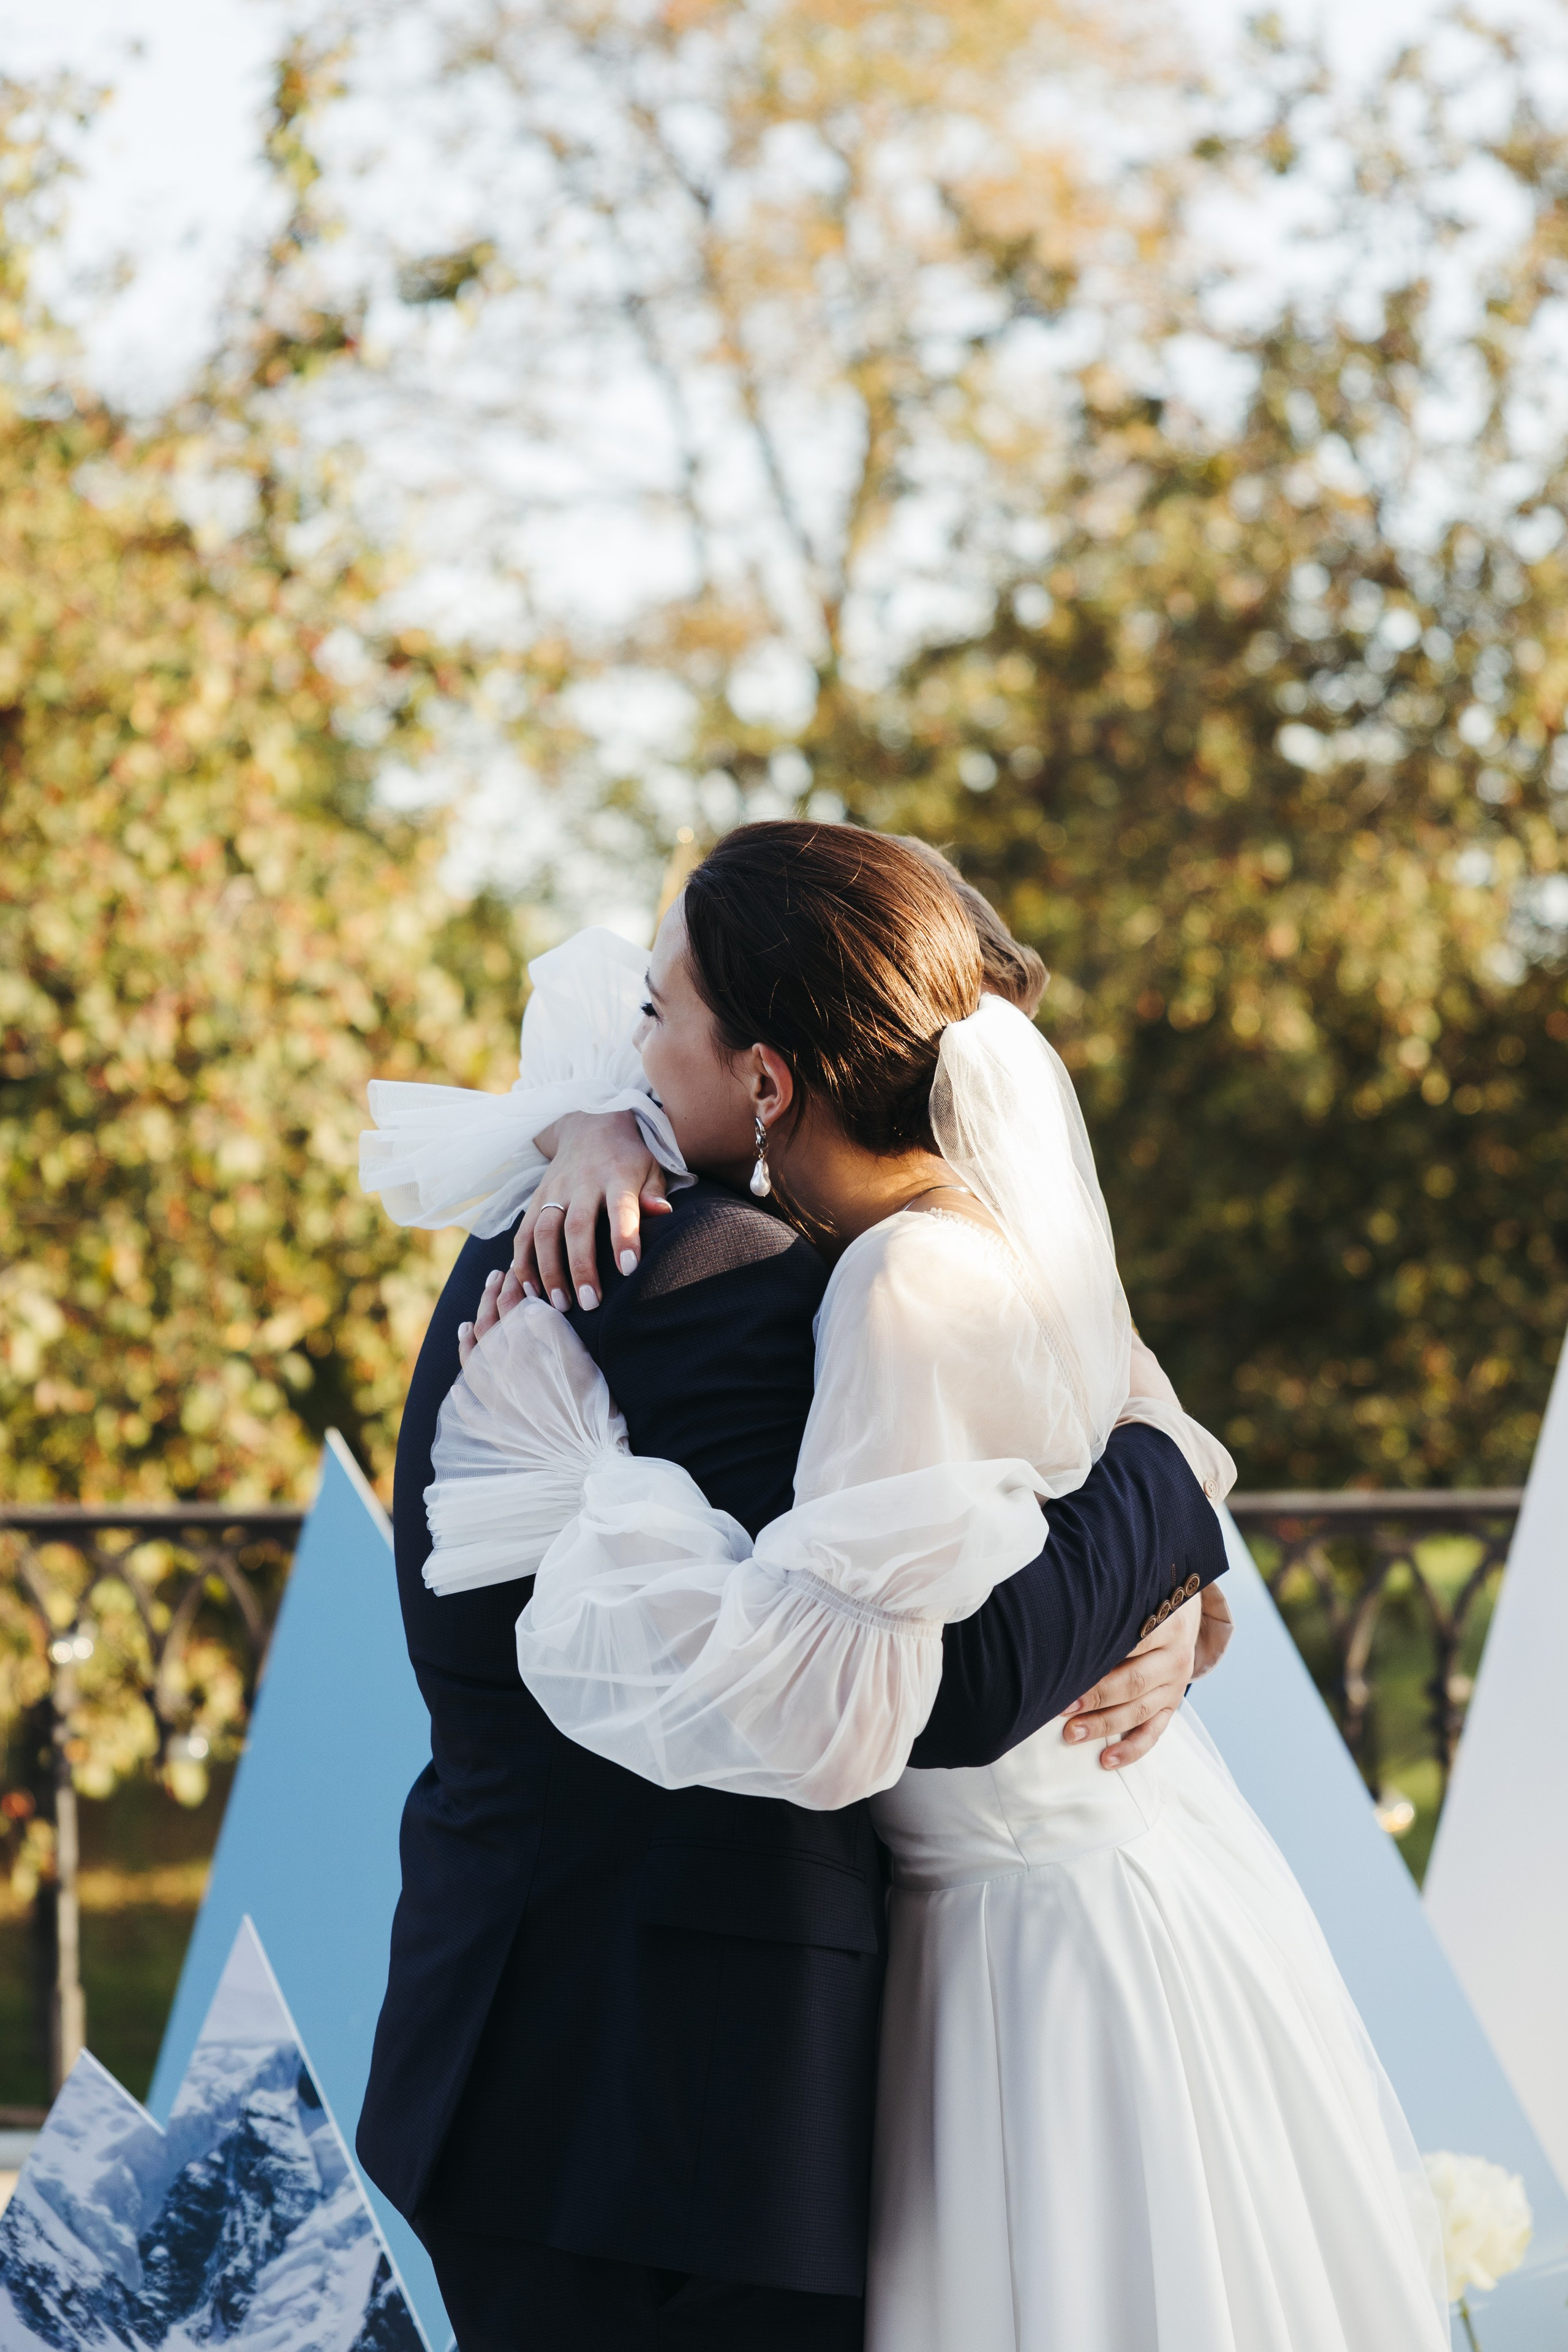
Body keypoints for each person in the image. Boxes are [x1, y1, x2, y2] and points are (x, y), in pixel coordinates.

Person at [426, 823, 1450, 2351]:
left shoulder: (893, 1282)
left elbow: (888, 1696)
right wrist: (592, 1122)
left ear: (771, 1080)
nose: (627, 1056)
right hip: (1072, 1893)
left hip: (1026, 1948)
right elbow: (1115, 1452)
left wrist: (581, 1481)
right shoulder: (973, 1235)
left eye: (655, 1025)